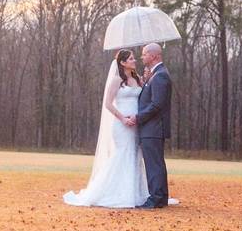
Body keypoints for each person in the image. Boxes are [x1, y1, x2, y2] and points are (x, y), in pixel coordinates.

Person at [62, 49, 150, 208]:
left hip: (136, 123)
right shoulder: (117, 80)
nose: (134, 60)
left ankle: (133, 192)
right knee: (123, 154)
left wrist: (147, 79)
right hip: (122, 125)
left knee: (134, 155)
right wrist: (123, 118)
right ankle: (113, 192)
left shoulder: (137, 79)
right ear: (122, 62)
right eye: (131, 59)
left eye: (134, 58)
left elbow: (145, 95)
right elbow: (108, 104)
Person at [128, 43, 171, 209]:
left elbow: (156, 105)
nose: (141, 57)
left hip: (153, 128)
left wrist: (138, 118)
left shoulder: (160, 75)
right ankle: (161, 197)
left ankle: (155, 198)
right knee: (156, 163)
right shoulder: (155, 75)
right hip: (152, 128)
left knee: (154, 164)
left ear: (154, 56)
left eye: (144, 54)